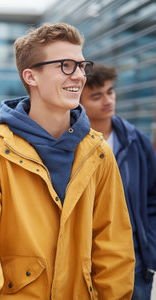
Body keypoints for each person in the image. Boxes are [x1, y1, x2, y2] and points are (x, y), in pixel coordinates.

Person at [0, 22, 135, 299]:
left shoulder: (99, 152)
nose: (78, 76)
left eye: (81, 66)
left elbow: (114, 249)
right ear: (31, 76)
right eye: (66, 65)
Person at [80, 63, 156, 300]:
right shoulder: (70, 143)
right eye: (96, 96)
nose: (107, 100)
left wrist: (150, 243)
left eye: (110, 92)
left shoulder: (136, 141)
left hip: (133, 258)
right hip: (84, 257)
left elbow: (152, 195)